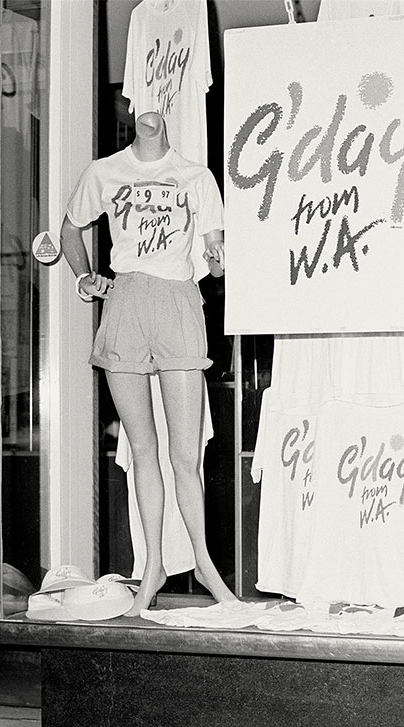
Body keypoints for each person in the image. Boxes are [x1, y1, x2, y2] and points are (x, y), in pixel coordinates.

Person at [60, 111, 236, 616]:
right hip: (127, 299)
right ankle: (153, 564)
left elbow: (214, 250)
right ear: (133, 116)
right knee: (142, 449)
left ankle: (203, 562)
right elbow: (70, 229)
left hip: (179, 300)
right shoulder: (103, 172)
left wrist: (223, 259)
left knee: (186, 454)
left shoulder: (196, 177)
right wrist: (85, 276)